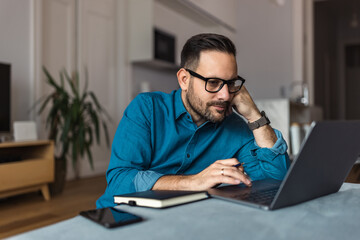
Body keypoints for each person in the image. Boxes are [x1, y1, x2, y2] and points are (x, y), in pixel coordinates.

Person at [96, 33, 290, 208]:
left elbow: (275, 182)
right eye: (213, 82)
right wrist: (193, 182)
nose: (225, 94)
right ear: (184, 80)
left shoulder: (236, 127)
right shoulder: (147, 109)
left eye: (230, 83)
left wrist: (254, 116)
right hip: (124, 216)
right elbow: (120, 180)